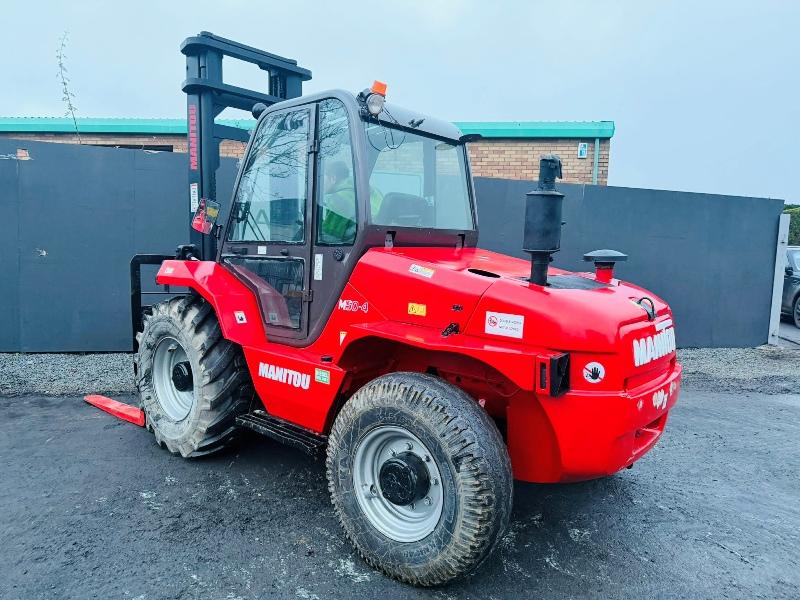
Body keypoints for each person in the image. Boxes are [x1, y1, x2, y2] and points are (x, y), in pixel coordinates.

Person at [320, 161, 383, 244]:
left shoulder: (338, 199)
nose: (321, 183)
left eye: (322, 178)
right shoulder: (374, 191)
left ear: (333, 178)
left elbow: (328, 236)